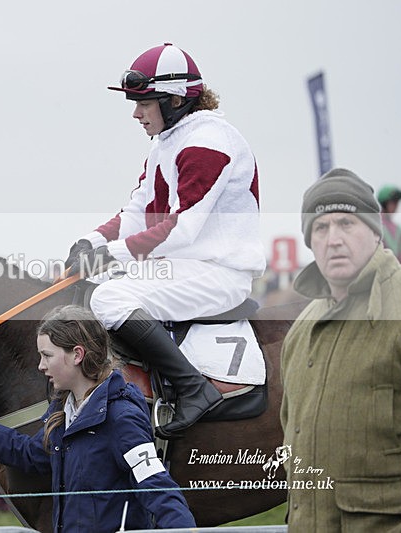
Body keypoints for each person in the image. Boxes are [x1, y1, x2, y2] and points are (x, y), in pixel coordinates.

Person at [64, 43, 265, 438]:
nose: (136, 113)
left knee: (109, 299)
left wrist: (112, 254)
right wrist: (90, 241)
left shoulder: (208, 141)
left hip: (219, 274)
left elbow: (183, 226)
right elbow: (137, 211)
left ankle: (193, 388)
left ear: (175, 100)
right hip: (187, 267)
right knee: (93, 289)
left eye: (144, 103)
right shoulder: (168, 142)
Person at [0, 305, 196, 532]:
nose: (40, 366)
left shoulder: (122, 416)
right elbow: (29, 453)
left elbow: (157, 487)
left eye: (47, 356)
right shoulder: (63, 409)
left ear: (77, 355)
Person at [280, 167, 401, 531]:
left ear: (375, 232)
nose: (333, 239)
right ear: (310, 241)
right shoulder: (301, 332)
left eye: (347, 223)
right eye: (321, 227)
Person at [377, 183, 401, 267]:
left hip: (395, 272)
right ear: (385, 203)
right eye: (393, 202)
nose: (396, 205)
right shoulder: (374, 223)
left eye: (397, 202)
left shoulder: (398, 229)